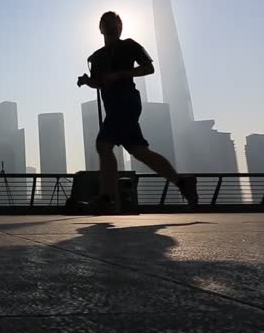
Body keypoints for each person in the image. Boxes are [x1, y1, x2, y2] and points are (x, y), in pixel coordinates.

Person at [77, 11, 198, 212]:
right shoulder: (96, 57)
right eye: (106, 22)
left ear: (121, 26)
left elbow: (148, 68)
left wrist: (122, 74)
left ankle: (106, 198)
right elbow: (99, 83)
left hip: (127, 103)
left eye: (114, 22)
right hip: (113, 107)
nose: (111, 26)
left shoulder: (130, 45)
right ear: (100, 28)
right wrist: (87, 81)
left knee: (103, 145)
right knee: (140, 152)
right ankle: (182, 183)